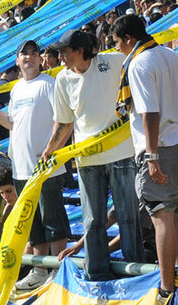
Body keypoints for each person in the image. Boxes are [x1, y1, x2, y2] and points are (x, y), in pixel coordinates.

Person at [110, 14, 178, 298]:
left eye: (118, 43)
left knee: (161, 216)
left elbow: (150, 113)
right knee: (176, 216)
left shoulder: (139, 63)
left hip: (159, 146)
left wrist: (152, 156)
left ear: (129, 39)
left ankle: (167, 286)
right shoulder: (169, 55)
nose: (119, 49)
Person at [41, 28, 143, 281]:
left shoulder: (112, 61)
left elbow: (144, 58)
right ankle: (97, 274)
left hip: (121, 154)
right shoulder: (62, 79)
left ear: (80, 50)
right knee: (92, 221)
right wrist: (49, 149)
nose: (60, 57)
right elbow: (64, 123)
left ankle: (135, 272)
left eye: (64, 51)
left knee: (128, 217)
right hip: (87, 159)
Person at [0, 39, 70, 290]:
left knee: (53, 218)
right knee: (33, 222)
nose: (30, 57)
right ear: (17, 60)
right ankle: (40, 269)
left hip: (46, 165)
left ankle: (56, 269)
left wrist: (52, 148)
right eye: (25, 54)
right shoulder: (17, 89)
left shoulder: (50, 84)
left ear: (41, 58)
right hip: (21, 167)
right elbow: (11, 122)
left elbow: (64, 120)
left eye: (34, 53)